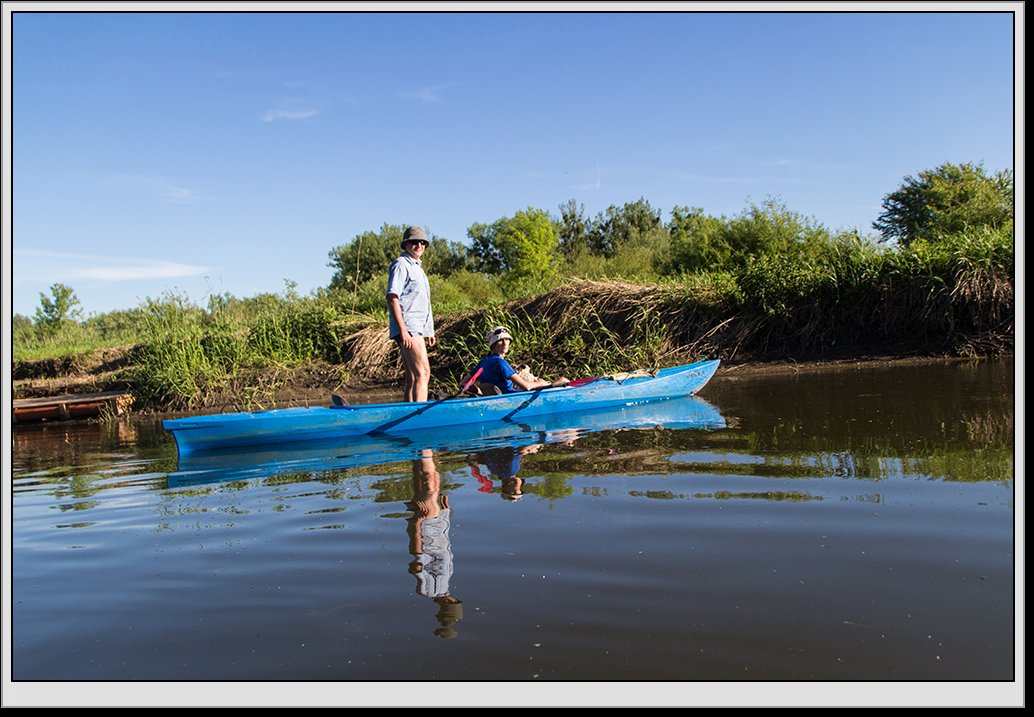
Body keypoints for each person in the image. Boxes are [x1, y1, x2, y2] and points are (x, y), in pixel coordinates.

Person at [405, 450, 463, 637]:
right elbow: (446, 548)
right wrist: (445, 514)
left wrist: (417, 522)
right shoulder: (444, 583)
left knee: (429, 480)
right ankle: (417, 448)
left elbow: (417, 562)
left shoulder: (429, 589)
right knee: (432, 478)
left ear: (451, 602)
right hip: (437, 526)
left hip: (427, 528)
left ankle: (423, 446)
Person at [387, 226, 436, 402]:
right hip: (409, 326)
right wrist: (404, 331)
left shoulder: (418, 268)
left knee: (413, 377)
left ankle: (407, 414)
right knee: (423, 372)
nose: (419, 245)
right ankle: (418, 416)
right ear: (406, 244)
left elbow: (423, 301)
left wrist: (429, 330)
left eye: (422, 242)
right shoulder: (401, 265)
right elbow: (393, 297)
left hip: (418, 328)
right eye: (414, 242)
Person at [464, 326, 570, 395]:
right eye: (500, 341)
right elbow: (527, 387)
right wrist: (539, 383)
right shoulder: (500, 363)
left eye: (507, 339)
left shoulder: (484, 361)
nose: (505, 343)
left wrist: (481, 391)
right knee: (563, 380)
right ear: (493, 345)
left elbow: (463, 384)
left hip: (501, 397)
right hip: (510, 397)